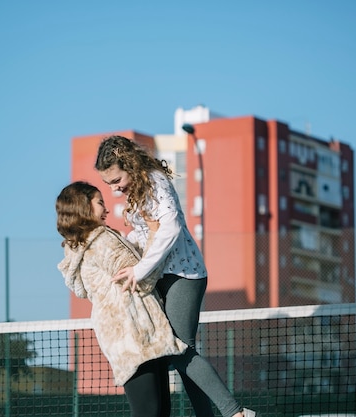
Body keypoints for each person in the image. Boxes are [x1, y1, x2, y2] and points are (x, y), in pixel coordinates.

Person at [95, 135, 256, 417]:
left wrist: (139, 269)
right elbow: (147, 235)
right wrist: (123, 243)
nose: (115, 189)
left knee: (181, 350)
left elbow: (170, 227)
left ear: (129, 165)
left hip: (185, 275)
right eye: (109, 184)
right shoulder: (137, 191)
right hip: (162, 278)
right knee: (178, 354)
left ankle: (236, 414)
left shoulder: (155, 181)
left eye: (116, 180)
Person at [56, 181, 188, 417]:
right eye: (99, 203)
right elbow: (141, 280)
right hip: (138, 336)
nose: (106, 209)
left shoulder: (81, 246)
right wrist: (154, 232)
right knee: (153, 412)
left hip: (126, 337)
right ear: (83, 206)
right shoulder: (102, 240)